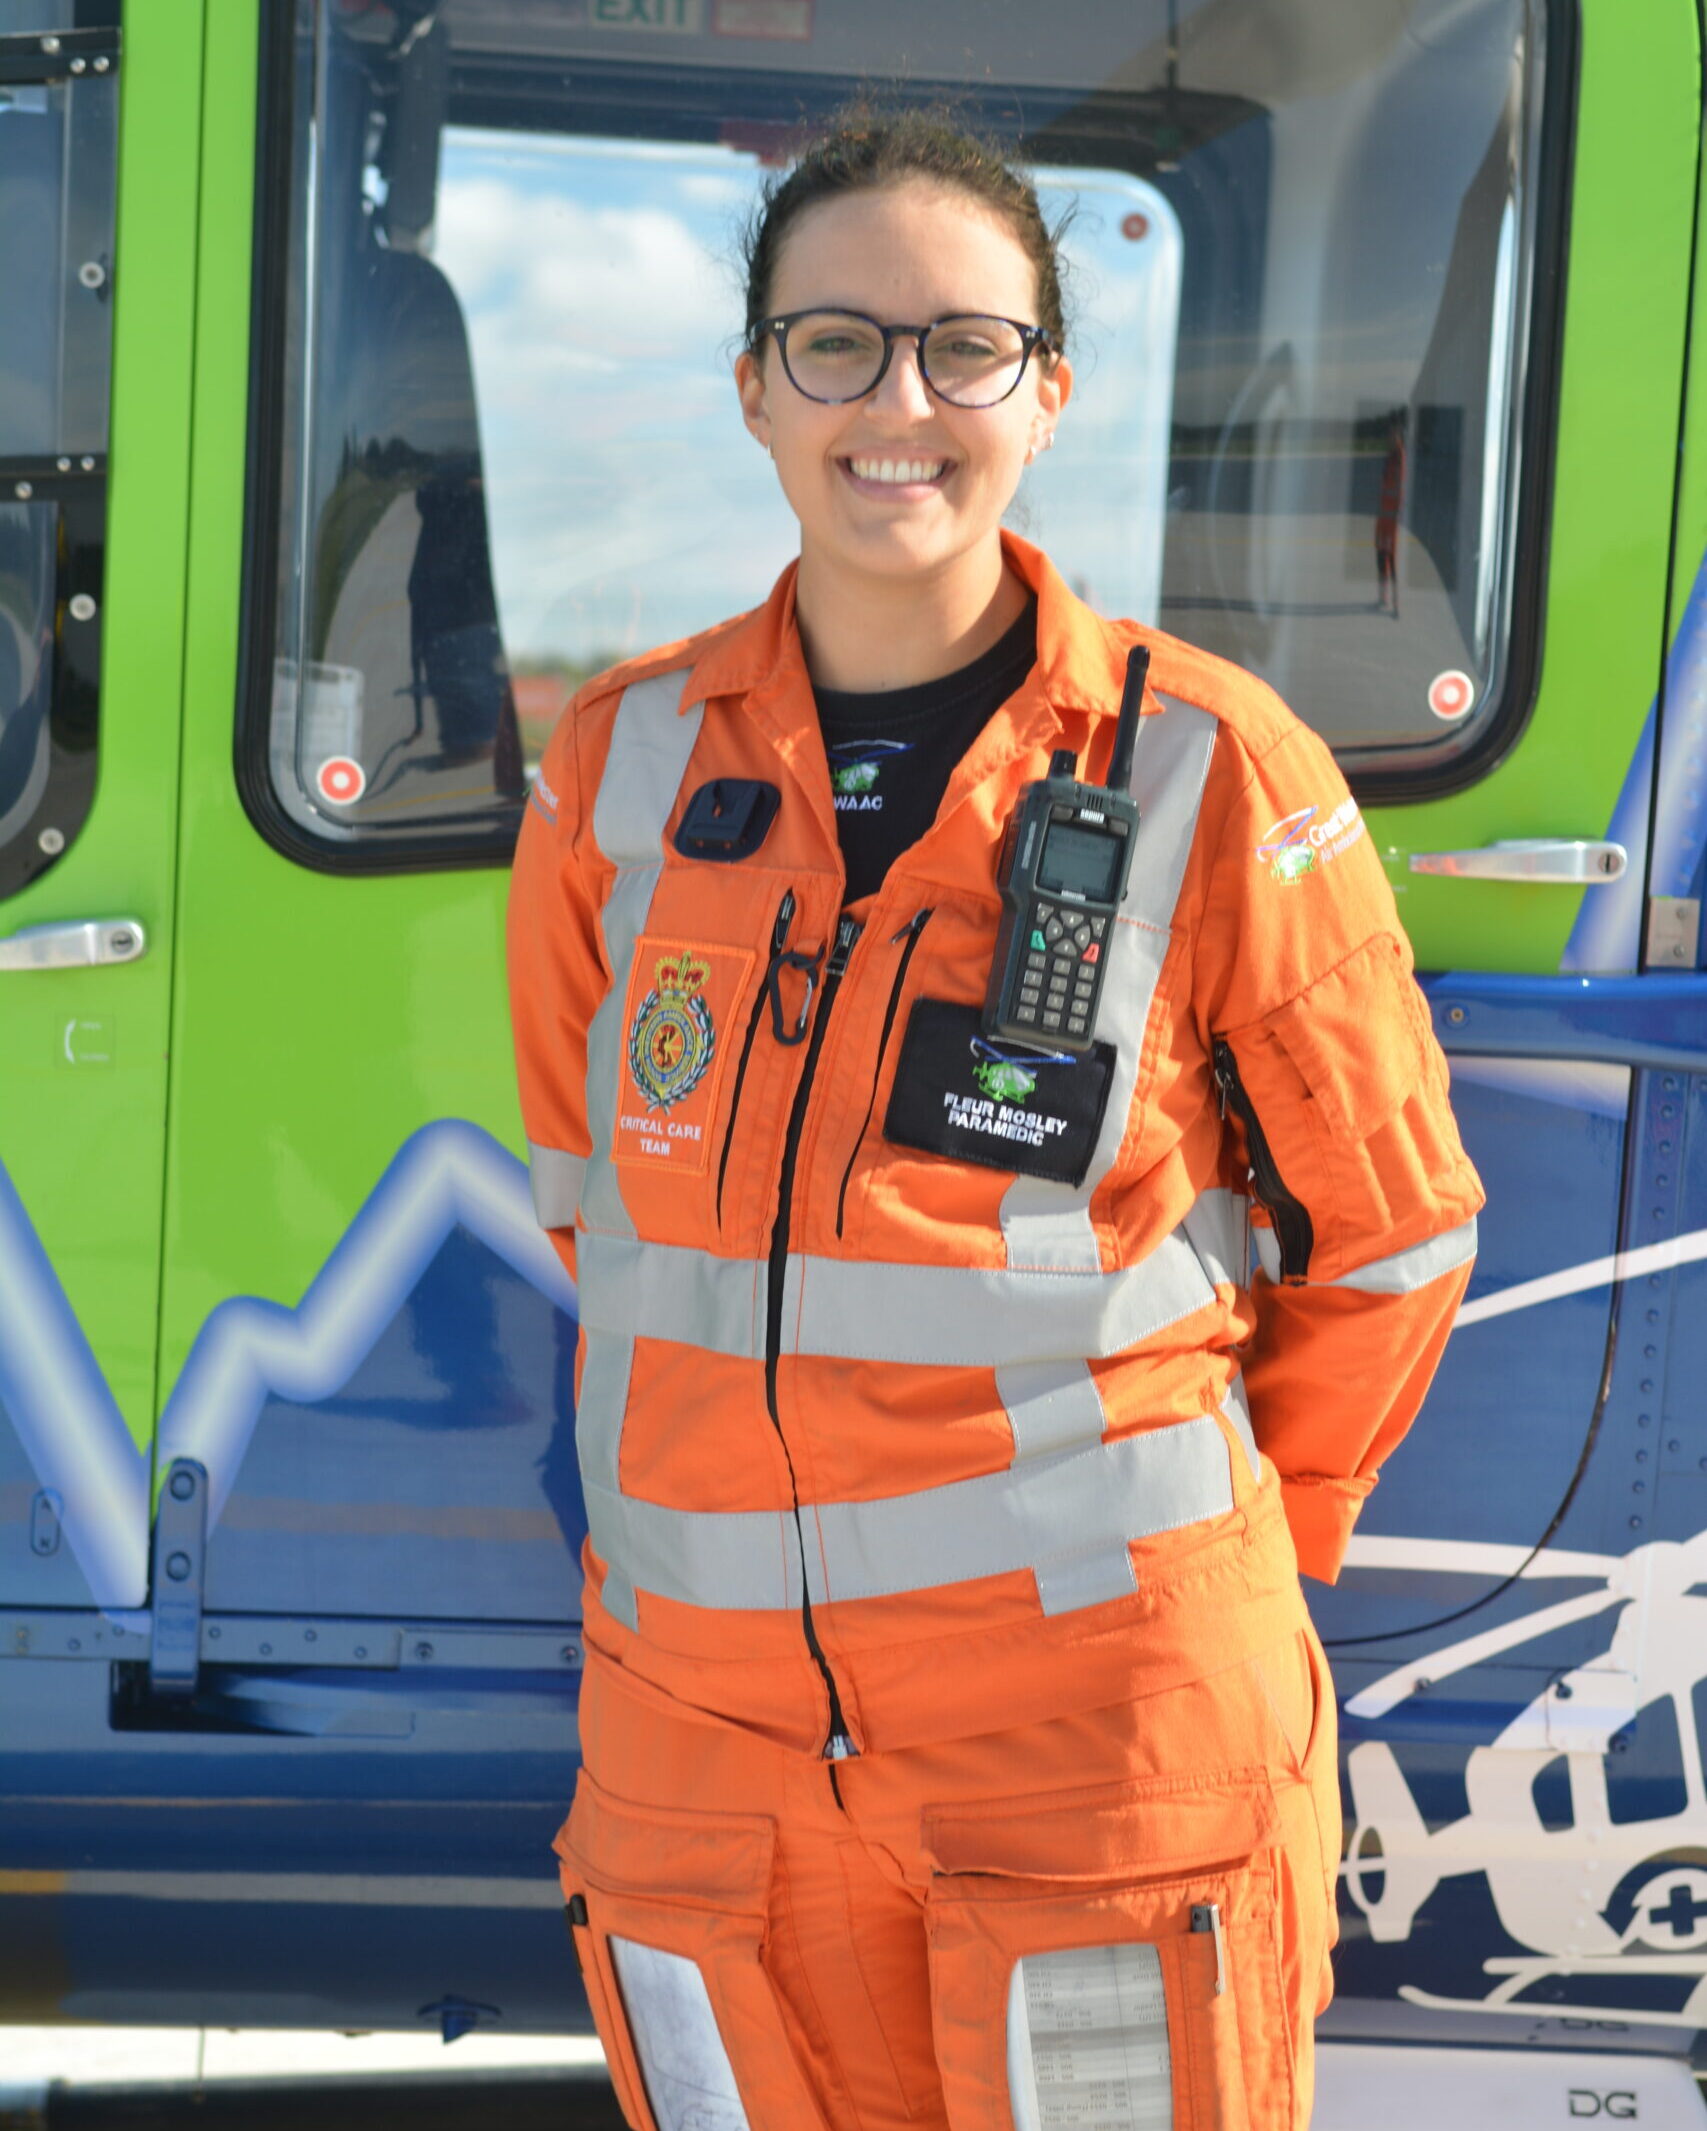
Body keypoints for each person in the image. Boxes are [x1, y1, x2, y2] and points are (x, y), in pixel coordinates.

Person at [508, 109, 1482, 2131]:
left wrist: (1221, 1577)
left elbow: (1385, 1245)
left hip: (1095, 1760)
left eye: (964, 346)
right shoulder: (616, 767)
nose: (901, 402)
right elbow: (588, 1208)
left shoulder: (1210, 769)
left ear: (1046, 395)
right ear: (757, 389)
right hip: (705, 1775)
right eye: (838, 344)